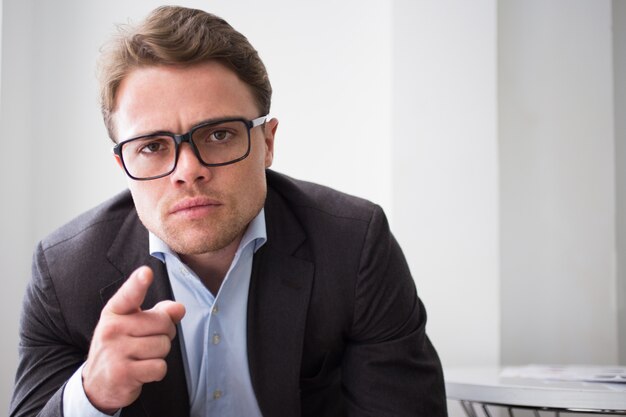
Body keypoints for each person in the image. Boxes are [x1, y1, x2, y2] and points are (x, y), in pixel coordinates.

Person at [9, 5, 447, 417]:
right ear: (124, 164)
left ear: (268, 143)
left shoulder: (352, 248)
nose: (189, 171)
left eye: (219, 135)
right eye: (153, 147)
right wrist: (92, 394)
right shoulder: (64, 273)